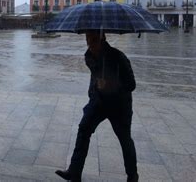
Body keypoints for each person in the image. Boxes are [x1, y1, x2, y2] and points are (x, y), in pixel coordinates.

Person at [56, 30, 138, 182]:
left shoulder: (118, 57)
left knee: (125, 139)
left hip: (119, 105)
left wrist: (111, 85)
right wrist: (94, 92)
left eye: (93, 40)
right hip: (99, 102)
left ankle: (132, 176)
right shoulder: (89, 56)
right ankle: (74, 172)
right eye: (87, 40)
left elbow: (131, 84)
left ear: (102, 39)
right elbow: (95, 77)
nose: (89, 44)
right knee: (83, 130)